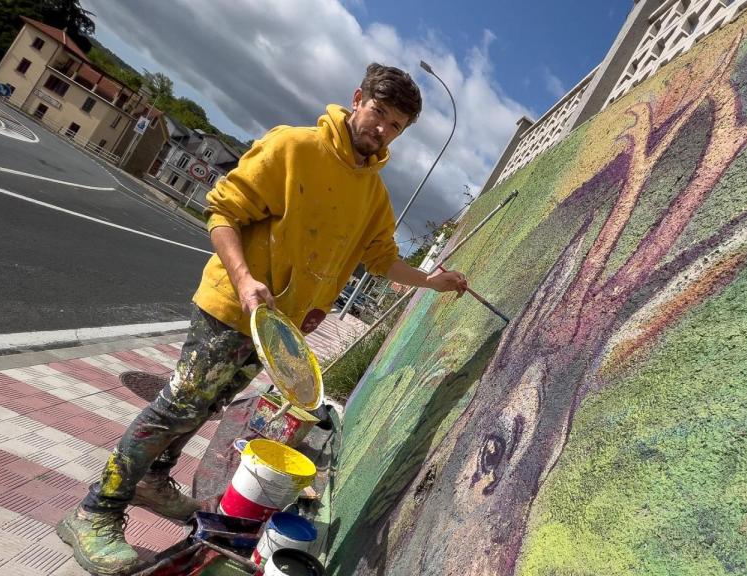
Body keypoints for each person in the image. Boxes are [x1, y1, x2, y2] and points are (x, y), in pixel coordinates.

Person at [56, 63, 468, 575]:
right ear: (357, 99)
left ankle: (154, 479)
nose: (381, 129)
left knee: (204, 406)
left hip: (275, 330)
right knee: (177, 405)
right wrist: (247, 280)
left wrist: (434, 281)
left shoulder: (374, 197)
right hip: (232, 303)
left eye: (395, 126)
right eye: (379, 113)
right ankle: (95, 510)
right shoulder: (294, 147)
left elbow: (381, 259)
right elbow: (223, 213)